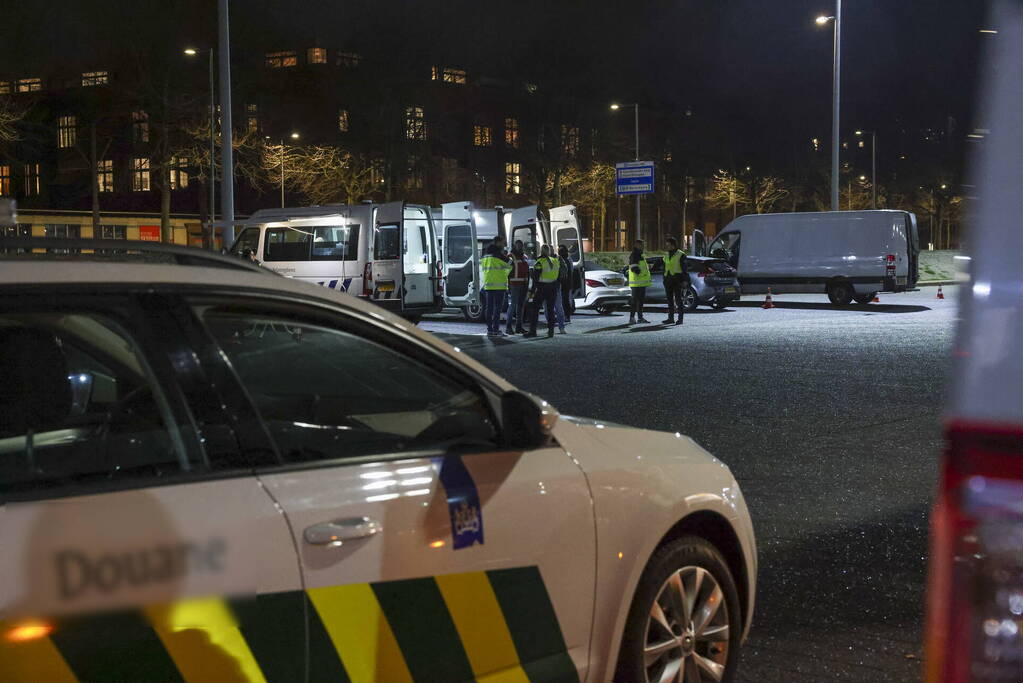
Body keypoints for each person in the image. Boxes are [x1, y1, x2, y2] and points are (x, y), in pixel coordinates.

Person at [524, 244, 562, 338]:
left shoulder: (539, 262)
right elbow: (559, 275)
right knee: (550, 310)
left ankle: (533, 331)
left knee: (535, 309)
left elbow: (536, 278)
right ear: (549, 251)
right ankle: (551, 331)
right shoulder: (555, 261)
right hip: (552, 287)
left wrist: (532, 291)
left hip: (542, 287)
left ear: (541, 251)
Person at [480, 238, 512, 337]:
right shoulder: (499, 255)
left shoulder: (485, 255)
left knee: (488, 308)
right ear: (498, 243)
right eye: (502, 243)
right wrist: (509, 257)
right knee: (497, 309)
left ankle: (489, 330)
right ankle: (496, 330)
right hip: (499, 285)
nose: (504, 245)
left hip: (488, 285)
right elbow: (510, 264)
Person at [662, 236, 688, 325]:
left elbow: (685, 268)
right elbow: (665, 267)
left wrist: (685, 280)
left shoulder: (681, 254)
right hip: (668, 279)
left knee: (678, 300)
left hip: (677, 279)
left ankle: (680, 319)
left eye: (668, 245)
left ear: (673, 245)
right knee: (669, 300)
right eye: (666, 245)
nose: (667, 247)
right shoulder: (666, 255)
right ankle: (670, 318)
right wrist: (664, 278)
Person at [506, 240, 530, 334]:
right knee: (513, 305)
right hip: (514, 284)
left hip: (523, 284)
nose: (520, 247)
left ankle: (519, 327)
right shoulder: (510, 256)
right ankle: (508, 327)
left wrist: (528, 284)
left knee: (520, 306)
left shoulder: (524, 257)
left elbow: (527, 271)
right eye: (518, 245)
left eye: (521, 245)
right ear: (515, 246)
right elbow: (506, 271)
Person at [628, 239, 651, 324]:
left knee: (639, 301)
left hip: (640, 282)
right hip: (637, 282)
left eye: (643, 245)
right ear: (636, 245)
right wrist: (642, 274)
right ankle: (632, 318)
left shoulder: (640, 255)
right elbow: (634, 268)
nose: (643, 246)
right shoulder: (635, 255)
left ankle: (639, 318)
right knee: (635, 301)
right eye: (641, 245)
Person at [556, 244, 575, 325]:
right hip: (567, 283)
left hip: (564, 283)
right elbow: (571, 271)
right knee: (565, 300)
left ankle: (566, 316)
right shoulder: (568, 259)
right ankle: (566, 316)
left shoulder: (562, 260)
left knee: (564, 301)